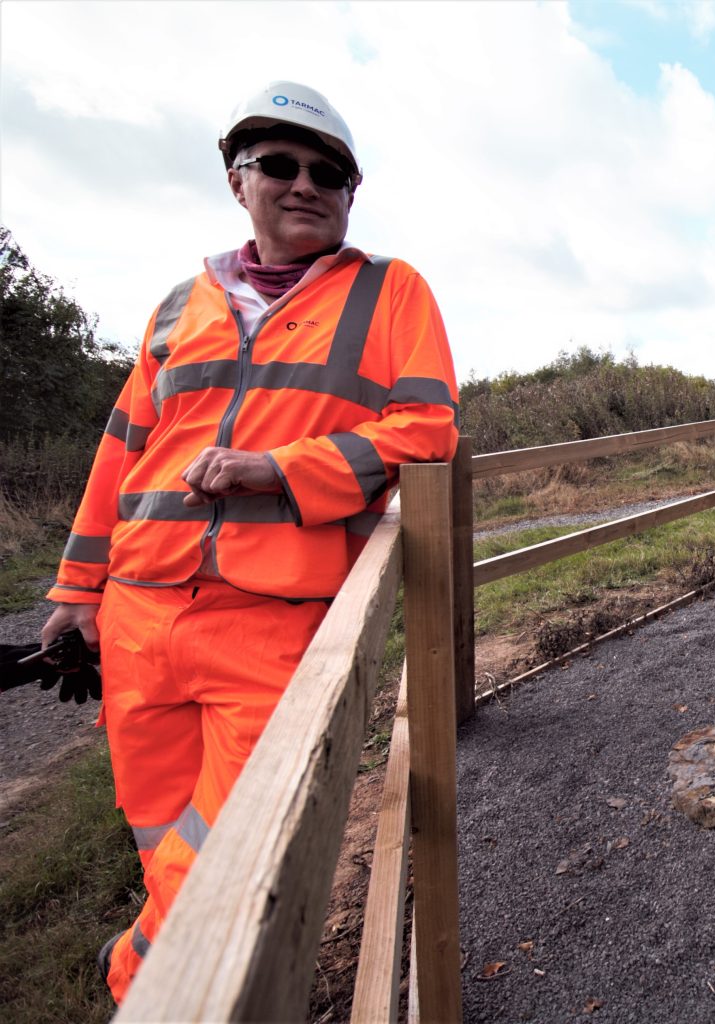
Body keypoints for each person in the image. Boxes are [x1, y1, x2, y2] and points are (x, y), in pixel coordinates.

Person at [39, 80, 459, 1003]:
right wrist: (76, 594)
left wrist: (283, 468)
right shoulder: (173, 309)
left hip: (270, 623)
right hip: (138, 621)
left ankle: (146, 986)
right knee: (159, 838)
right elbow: (120, 452)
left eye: (328, 172)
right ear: (240, 181)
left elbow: (427, 431)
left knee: (230, 846)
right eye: (279, 164)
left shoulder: (392, 293)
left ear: (352, 194)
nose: (304, 183)